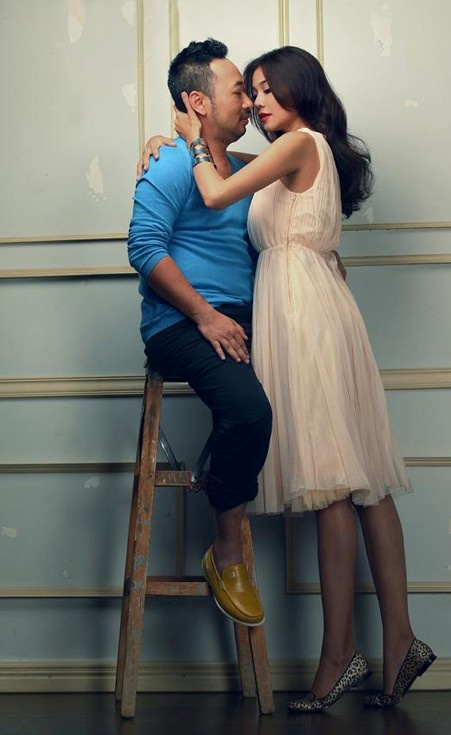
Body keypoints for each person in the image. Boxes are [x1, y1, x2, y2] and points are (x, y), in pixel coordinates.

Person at [141, 43, 436, 712]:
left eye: (269, 89)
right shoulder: (288, 155)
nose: (257, 101)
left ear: (301, 89)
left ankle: (340, 657)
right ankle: (398, 640)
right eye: (251, 91)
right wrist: (168, 142)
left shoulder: (300, 144)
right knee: (361, 478)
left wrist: (188, 137)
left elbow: (214, 187)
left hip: (305, 313)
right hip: (316, 304)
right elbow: (230, 165)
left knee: (335, 480)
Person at [127, 39, 274, 628]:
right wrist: (205, 315)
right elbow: (143, 248)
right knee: (249, 411)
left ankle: (219, 466)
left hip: (245, 317)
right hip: (180, 322)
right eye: (239, 91)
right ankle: (227, 552)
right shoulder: (168, 164)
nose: (249, 103)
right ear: (198, 102)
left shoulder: (243, 172)